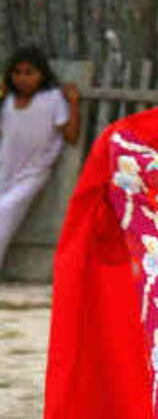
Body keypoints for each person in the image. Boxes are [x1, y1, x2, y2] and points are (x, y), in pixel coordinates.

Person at [0, 46, 80, 267]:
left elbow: (71, 136)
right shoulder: (7, 101)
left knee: (5, 211)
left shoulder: (53, 99)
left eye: (29, 72)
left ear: (42, 74)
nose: (22, 78)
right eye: (17, 72)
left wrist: (73, 103)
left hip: (34, 172)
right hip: (5, 168)